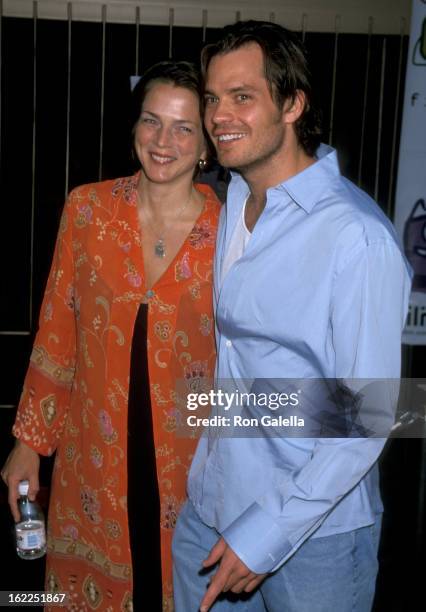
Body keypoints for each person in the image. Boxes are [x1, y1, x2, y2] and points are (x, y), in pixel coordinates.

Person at [172, 21, 412, 612]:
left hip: (314, 536)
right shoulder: (229, 200)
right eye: (212, 98)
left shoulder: (356, 236)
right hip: (210, 511)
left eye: (242, 97)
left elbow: (371, 416)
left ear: (292, 104)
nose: (219, 114)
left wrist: (265, 535)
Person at [1, 60, 220, 611]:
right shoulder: (88, 210)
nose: (163, 141)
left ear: (206, 146)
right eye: (151, 121)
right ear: (133, 129)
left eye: (183, 127)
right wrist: (30, 443)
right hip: (93, 457)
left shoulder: (233, 230)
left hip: (191, 463)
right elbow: (57, 332)